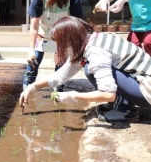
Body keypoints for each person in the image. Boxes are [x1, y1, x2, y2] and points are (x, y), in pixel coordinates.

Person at [19, 16, 151, 122]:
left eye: (60, 43)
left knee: (89, 69)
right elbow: (60, 76)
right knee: (88, 67)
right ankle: (121, 103)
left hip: (147, 90)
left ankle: (125, 110)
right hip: (140, 82)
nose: (59, 47)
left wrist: (74, 95)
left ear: (69, 40)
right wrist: (32, 87)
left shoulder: (94, 50)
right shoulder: (89, 41)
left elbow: (108, 94)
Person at [23, 0, 83, 91]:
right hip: (43, 33)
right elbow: (34, 27)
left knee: (60, 65)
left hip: (63, 36)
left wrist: (75, 46)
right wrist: (30, 50)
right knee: (33, 62)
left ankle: (58, 90)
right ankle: (27, 88)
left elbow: (76, 24)